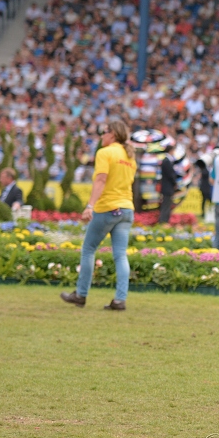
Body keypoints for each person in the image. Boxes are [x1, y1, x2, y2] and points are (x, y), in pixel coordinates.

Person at [60, 119, 137, 311]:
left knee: (88, 250)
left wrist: (90, 206)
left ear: (113, 134)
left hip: (108, 207)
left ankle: (81, 294)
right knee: (120, 255)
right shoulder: (130, 156)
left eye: (104, 132)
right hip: (126, 208)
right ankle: (120, 299)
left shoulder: (105, 153)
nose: (101, 135)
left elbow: (101, 180)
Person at [158, 144, 178, 224]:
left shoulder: (166, 160)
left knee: (167, 204)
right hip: (167, 187)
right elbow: (170, 175)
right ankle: (163, 221)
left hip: (167, 187)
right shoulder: (167, 161)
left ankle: (164, 220)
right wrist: (175, 183)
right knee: (166, 205)